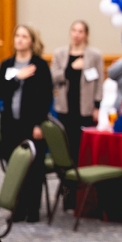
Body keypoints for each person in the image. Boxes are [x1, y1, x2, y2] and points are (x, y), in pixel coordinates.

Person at [0, 25, 53, 223]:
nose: (20, 40)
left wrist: (39, 124)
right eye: (17, 36)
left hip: (32, 125)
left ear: (31, 41)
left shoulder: (39, 65)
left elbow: (46, 97)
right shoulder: (7, 65)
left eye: (24, 36)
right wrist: (16, 78)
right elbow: (2, 91)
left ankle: (32, 210)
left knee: (33, 168)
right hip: (11, 125)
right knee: (16, 167)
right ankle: (18, 208)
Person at [50, 20, 104, 210]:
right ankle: (68, 194)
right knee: (66, 153)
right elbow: (53, 77)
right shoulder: (60, 53)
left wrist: (97, 106)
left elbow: (99, 82)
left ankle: (83, 195)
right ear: (70, 32)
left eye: (81, 31)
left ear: (86, 34)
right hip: (65, 109)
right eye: (74, 30)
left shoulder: (95, 55)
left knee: (81, 152)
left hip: (85, 110)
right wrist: (70, 69)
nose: (77, 34)